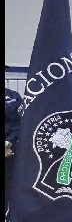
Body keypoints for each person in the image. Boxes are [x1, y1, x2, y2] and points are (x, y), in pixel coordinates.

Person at [5, 87, 23, 216]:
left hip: (9, 150)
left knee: (9, 188)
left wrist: (7, 143)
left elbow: (20, 121)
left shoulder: (13, 96)